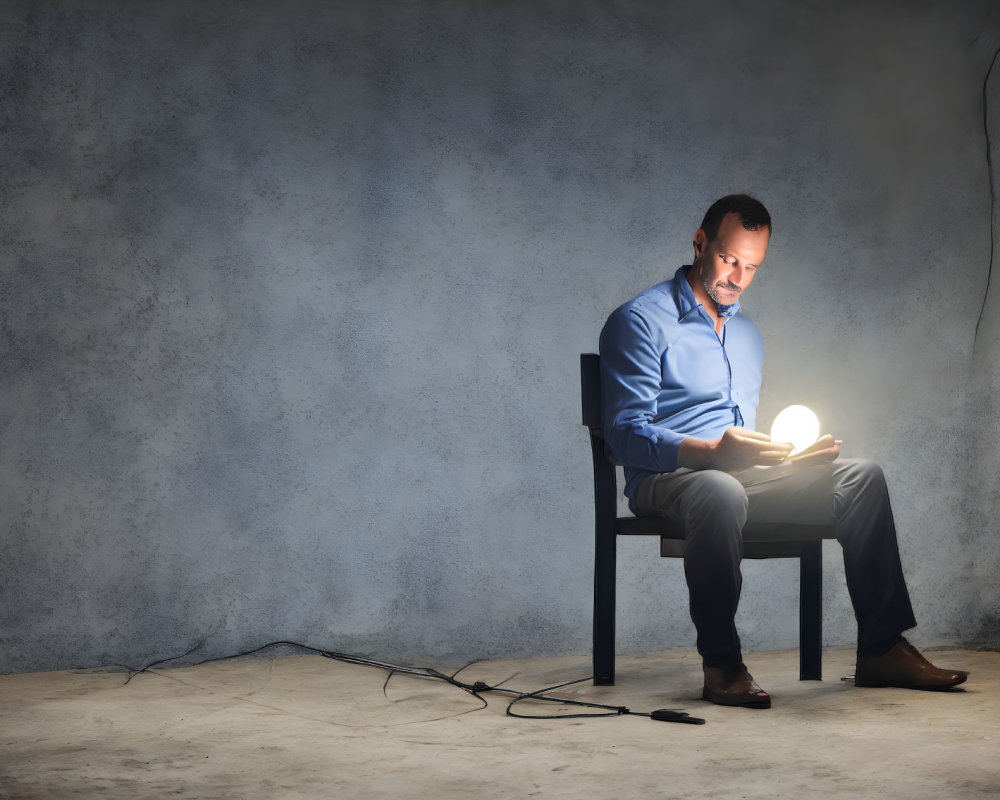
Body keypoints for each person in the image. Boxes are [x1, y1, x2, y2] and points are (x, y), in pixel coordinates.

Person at [598, 194, 968, 709]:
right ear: (700, 243)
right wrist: (708, 453)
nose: (738, 277)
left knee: (860, 475)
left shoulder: (748, 334)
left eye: (752, 266)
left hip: (737, 476)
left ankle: (881, 649)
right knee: (719, 490)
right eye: (729, 259)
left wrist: (792, 463)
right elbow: (622, 436)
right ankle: (723, 663)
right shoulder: (639, 321)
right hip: (669, 478)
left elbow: (743, 446)